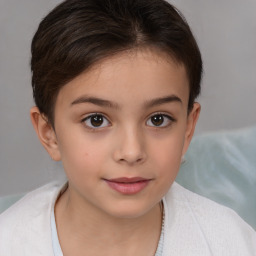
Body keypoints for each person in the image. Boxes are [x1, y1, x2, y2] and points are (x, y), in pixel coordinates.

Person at [0, 0, 255, 255]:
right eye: (96, 120)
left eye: (158, 119)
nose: (132, 152)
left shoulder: (231, 243)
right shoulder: (9, 242)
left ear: (188, 129)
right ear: (49, 135)